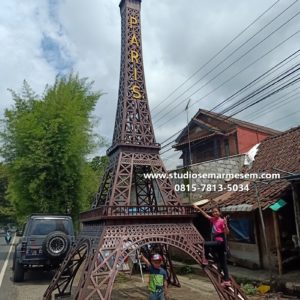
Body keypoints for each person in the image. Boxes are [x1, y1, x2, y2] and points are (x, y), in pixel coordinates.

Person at [193, 204, 231, 287]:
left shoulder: (221, 221)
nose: (214, 213)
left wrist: (225, 225)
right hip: (217, 242)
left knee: (206, 244)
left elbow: (227, 233)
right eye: (213, 212)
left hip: (220, 242)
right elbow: (206, 216)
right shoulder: (213, 219)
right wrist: (198, 208)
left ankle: (206, 259)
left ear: (219, 212)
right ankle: (227, 281)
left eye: (216, 211)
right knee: (223, 262)